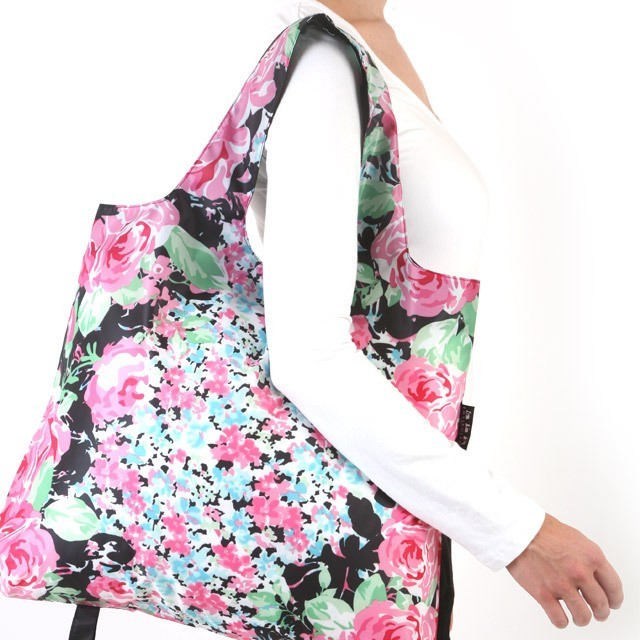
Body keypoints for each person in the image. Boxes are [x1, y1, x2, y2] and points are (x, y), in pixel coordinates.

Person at [247, 0, 625, 629]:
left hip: (395, 503)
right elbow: (310, 357)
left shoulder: (365, 36)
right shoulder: (320, 57)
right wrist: (518, 533)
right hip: (337, 528)